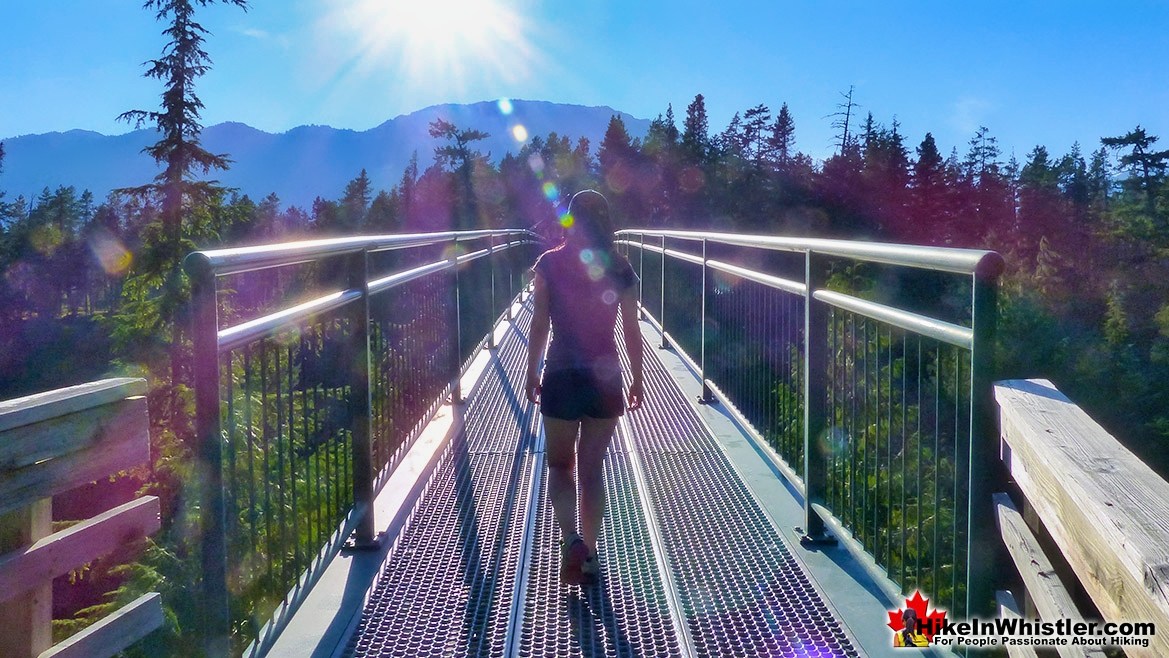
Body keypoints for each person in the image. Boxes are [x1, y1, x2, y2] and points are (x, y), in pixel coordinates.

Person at [524, 189, 645, 585]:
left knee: (560, 465)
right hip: (605, 377)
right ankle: (590, 556)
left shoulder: (549, 264)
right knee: (592, 468)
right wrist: (638, 376)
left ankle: (570, 539)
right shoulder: (622, 268)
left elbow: (540, 323)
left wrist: (532, 369)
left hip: (560, 374)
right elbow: (631, 329)